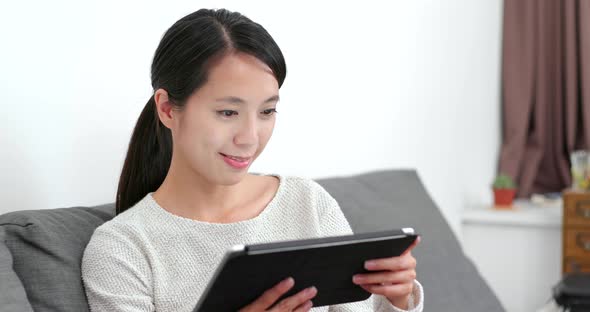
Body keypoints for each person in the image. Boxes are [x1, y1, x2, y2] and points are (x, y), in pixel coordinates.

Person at [81, 8, 424, 312]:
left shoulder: (307, 204)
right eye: (228, 112)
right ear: (167, 109)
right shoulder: (123, 249)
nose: (250, 137)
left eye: (267, 111)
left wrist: (399, 299)